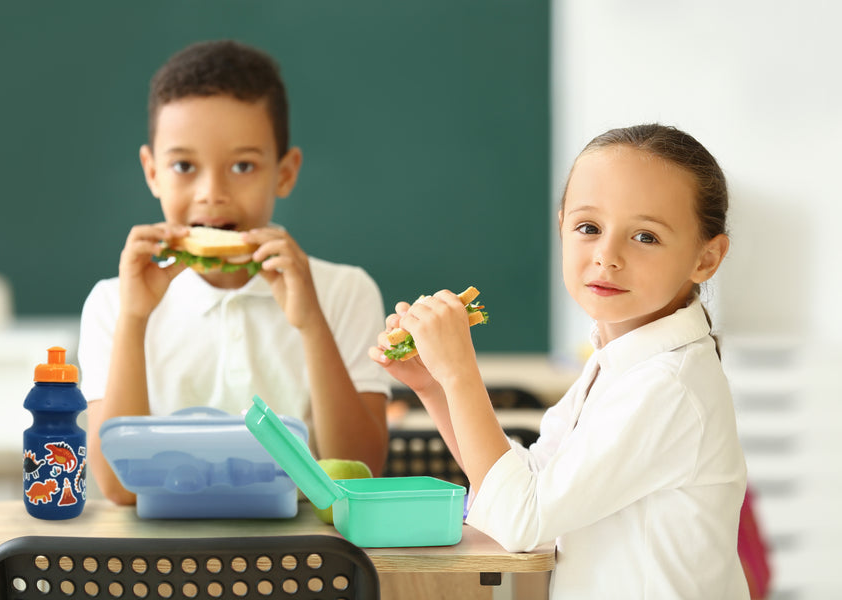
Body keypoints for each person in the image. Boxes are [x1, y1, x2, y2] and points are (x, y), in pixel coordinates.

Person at [371, 124, 749, 598]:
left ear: (706, 258)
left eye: (645, 236)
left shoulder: (667, 384)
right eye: (588, 228)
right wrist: (434, 386)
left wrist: (459, 372)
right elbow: (524, 487)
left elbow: (521, 520)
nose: (606, 256)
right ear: (562, 226)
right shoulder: (617, 363)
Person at [79, 40, 390, 505]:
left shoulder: (345, 291)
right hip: (160, 565)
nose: (212, 193)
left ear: (285, 173)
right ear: (152, 172)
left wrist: (311, 323)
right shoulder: (113, 302)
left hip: (306, 564)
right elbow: (120, 488)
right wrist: (134, 319)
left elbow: (357, 473)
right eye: (184, 166)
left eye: (242, 166)